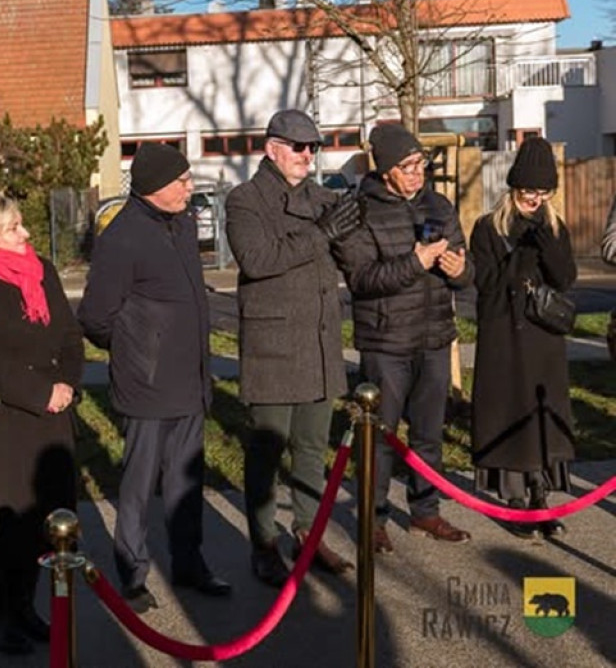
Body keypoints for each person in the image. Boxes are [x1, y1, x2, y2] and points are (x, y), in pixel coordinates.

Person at [79, 142, 231, 614]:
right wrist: (133, 347)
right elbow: (96, 315)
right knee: (139, 483)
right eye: (181, 181)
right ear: (153, 188)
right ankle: (131, 571)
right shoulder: (122, 237)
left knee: (186, 481)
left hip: (189, 378)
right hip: (146, 383)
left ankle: (189, 564)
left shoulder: (181, 224)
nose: (189, 187)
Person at [225, 109, 361, 587]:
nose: (308, 155)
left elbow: (351, 255)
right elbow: (259, 260)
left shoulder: (323, 197)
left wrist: (361, 226)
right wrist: (321, 233)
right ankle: (263, 544)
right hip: (274, 347)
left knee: (310, 450)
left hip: (320, 343)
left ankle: (309, 531)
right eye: (299, 146)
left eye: (314, 147)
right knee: (266, 453)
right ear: (272, 148)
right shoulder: (245, 201)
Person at [337, 123, 474, 554]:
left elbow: (467, 270)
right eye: (408, 166)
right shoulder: (359, 211)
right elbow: (362, 280)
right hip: (386, 343)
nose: (418, 172)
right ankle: (373, 518)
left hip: (434, 337)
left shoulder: (440, 204)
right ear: (386, 170)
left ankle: (425, 511)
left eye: (422, 164)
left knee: (428, 434)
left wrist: (459, 272)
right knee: (379, 438)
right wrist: (416, 262)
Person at [0, 193, 82, 655]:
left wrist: (67, 383)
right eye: (13, 229)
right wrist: (37, 393)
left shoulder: (42, 270)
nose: (25, 235)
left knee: (42, 517)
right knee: (1, 523)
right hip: (7, 420)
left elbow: (69, 335)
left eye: (22, 225)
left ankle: (26, 605)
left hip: (52, 415)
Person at [470, 137, 576, 540]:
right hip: (504, 336)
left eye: (543, 191)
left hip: (543, 338)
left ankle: (541, 497)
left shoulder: (553, 226)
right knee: (511, 414)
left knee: (540, 416)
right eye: (529, 190)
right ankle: (516, 499)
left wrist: (547, 247)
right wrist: (517, 259)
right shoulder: (488, 227)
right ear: (514, 188)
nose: (535, 198)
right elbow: (487, 285)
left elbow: (565, 278)